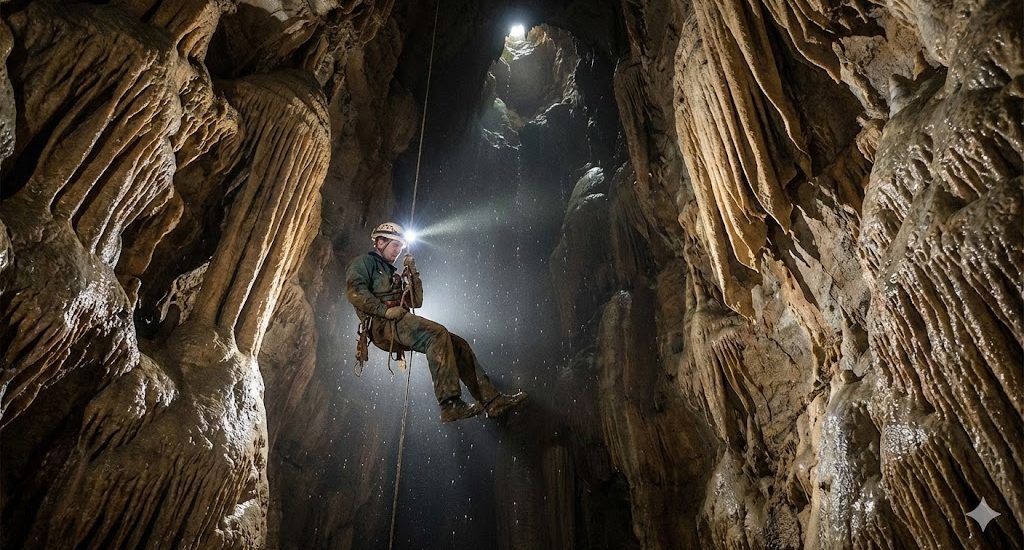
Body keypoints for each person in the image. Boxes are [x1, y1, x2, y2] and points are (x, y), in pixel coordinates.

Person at [345, 222, 528, 422]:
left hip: (398, 321)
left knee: (458, 345)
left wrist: (412, 272)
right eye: (395, 245)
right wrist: (385, 311)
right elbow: (355, 292)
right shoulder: (364, 263)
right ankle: (449, 404)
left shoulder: (392, 273)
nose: (398, 251)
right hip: (383, 325)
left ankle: (492, 401)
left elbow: (417, 301)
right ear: (380, 242)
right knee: (437, 334)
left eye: (400, 247)